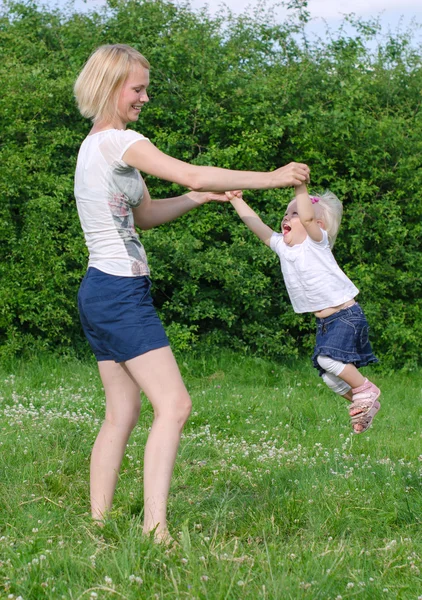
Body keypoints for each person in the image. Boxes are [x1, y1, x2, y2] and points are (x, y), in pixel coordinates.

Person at [73, 43, 310, 541]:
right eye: (137, 88)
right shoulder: (120, 141)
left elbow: (144, 216)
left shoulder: (97, 146)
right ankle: (154, 531)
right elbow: (191, 169)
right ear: (111, 85)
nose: (144, 98)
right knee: (174, 406)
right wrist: (273, 178)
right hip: (117, 292)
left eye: (145, 89)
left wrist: (194, 199)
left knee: (123, 411)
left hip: (101, 289)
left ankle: (97, 524)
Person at [228, 184, 381, 434]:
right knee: (328, 375)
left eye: (294, 213)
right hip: (326, 322)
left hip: (346, 315)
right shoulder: (283, 247)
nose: (286, 217)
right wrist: (236, 200)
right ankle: (362, 404)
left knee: (326, 359)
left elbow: (307, 216)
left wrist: (299, 184)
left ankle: (366, 390)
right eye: (286, 214)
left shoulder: (316, 242)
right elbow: (257, 226)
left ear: (317, 223)